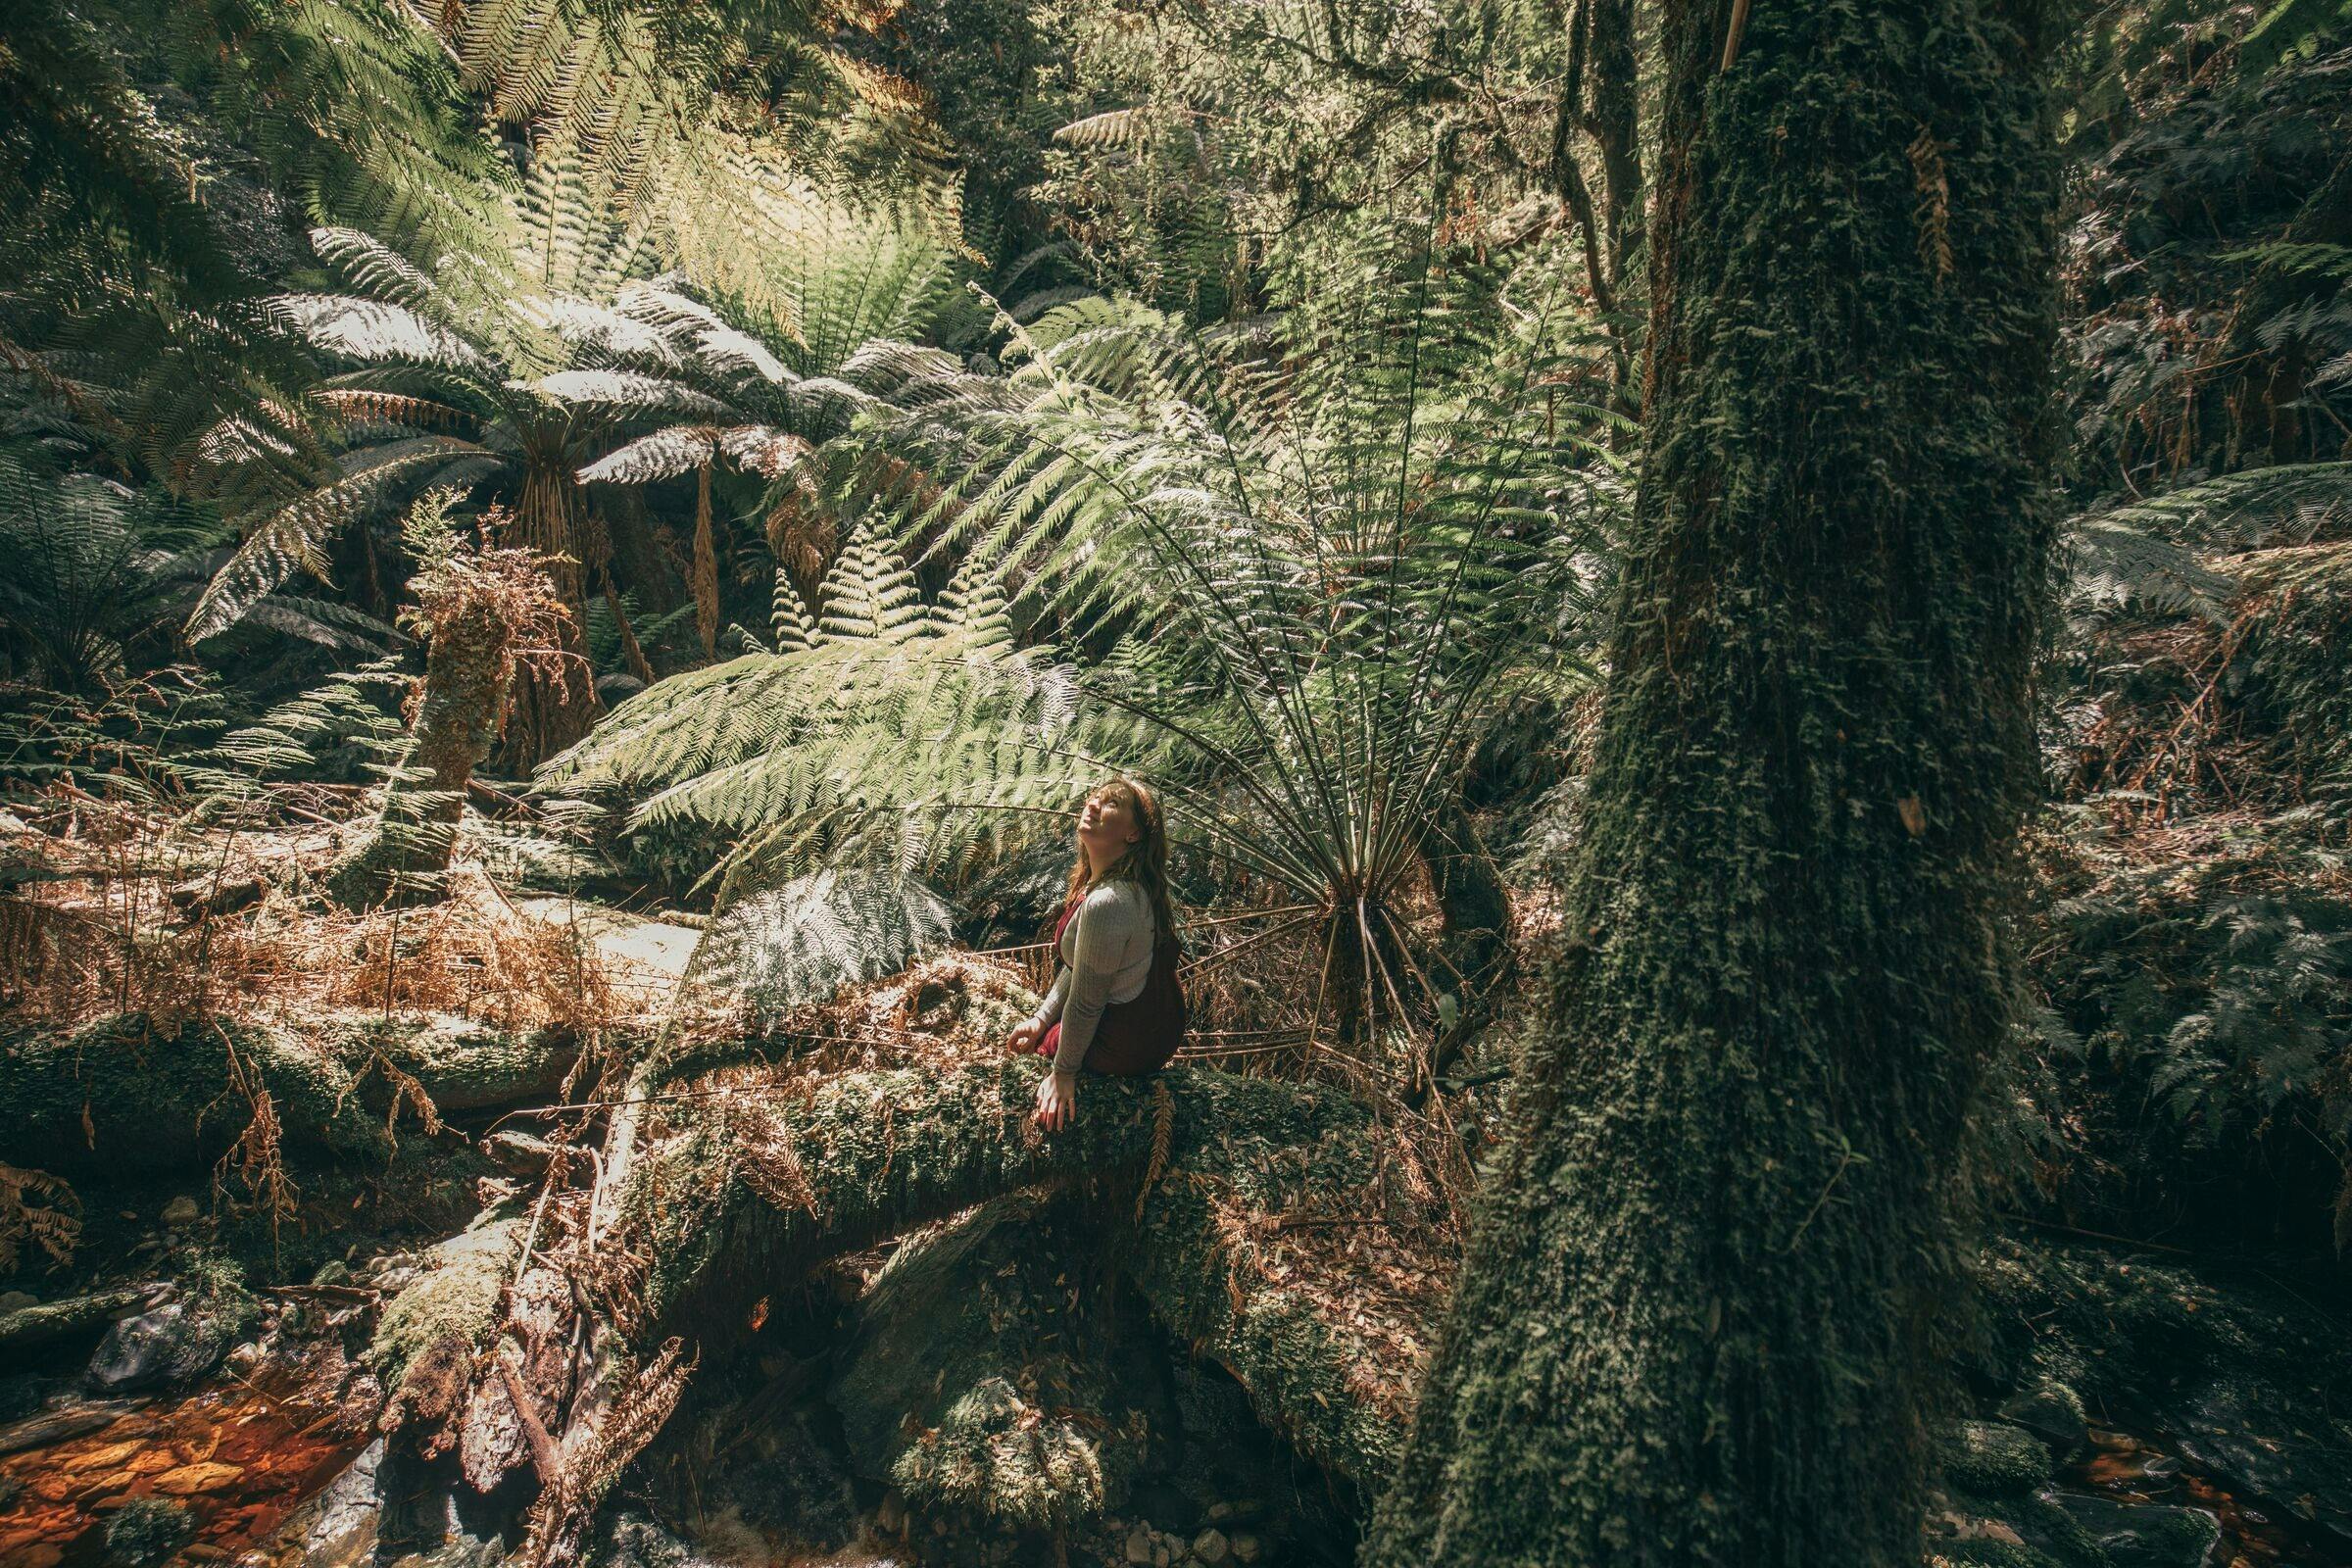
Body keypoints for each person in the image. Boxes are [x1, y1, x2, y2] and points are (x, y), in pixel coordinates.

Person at [1007, 777, 1187, 1131]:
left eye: (1111, 804)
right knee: (1041, 1031)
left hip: (1126, 1041)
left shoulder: (1109, 902)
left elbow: (1088, 1001)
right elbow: (1080, 967)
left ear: (1133, 834)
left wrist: (1063, 1073)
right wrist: (1041, 1017)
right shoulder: (1121, 885)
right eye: (1094, 797)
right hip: (1153, 1028)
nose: (1092, 805)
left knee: (1039, 1048)